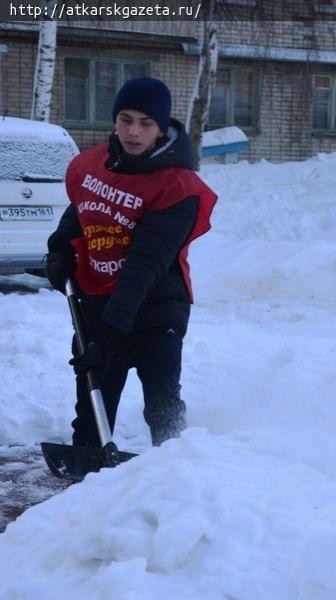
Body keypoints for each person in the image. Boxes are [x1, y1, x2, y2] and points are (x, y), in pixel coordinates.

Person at [46, 77, 217, 448]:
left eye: (146, 123)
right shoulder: (90, 164)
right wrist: (60, 246)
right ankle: (88, 467)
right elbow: (81, 210)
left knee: (161, 403)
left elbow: (146, 262)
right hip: (98, 299)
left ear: (161, 129)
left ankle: (180, 471)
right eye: (125, 119)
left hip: (157, 305)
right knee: (94, 402)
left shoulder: (179, 187)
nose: (133, 131)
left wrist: (110, 331)